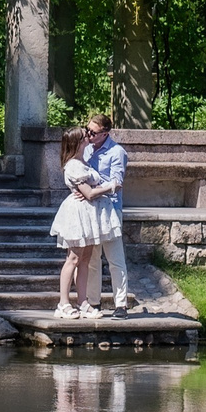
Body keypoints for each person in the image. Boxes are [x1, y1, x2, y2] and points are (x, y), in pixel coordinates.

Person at [48, 124, 118, 319]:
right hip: (78, 214)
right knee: (73, 258)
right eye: (84, 135)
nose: (88, 136)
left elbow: (90, 190)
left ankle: (82, 301)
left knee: (85, 259)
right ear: (77, 142)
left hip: (88, 213)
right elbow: (89, 193)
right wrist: (111, 187)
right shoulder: (73, 166)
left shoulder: (83, 161)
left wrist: (100, 188)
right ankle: (63, 303)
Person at [83, 113, 136, 313]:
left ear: (105, 133)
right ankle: (93, 302)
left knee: (115, 258)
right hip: (90, 209)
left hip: (110, 209)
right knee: (92, 259)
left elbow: (117, 183)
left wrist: (92, 189)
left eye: (93, 132)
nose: (89, 135)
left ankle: (121, 304)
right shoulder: (86, 149)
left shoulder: (117, 152)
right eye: (87, 130)